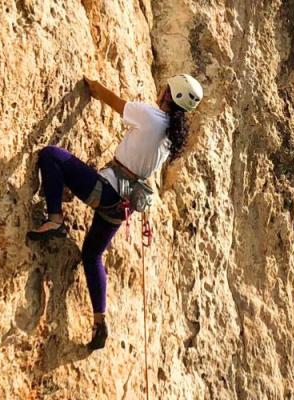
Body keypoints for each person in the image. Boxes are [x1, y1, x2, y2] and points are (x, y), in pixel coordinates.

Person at [27, 74, 203, 350]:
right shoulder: (170, 137)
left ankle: (55, 220)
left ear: (169, 95)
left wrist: (91, 84)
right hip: (123, 206)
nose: (160, 89)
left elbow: (110, 99)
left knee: (51, 155)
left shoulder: (151, 117)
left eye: (166, 87)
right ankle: (99, 321)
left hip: (107, 190)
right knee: (92, 255)